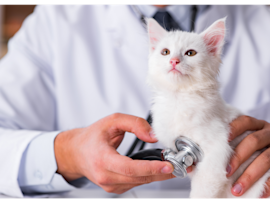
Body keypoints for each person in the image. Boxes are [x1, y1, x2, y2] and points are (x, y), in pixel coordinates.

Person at [0, 4, 270, 198]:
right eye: (165, 52)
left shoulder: (262, 21)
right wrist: (66, 154)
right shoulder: (54, 20)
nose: (174, 60)